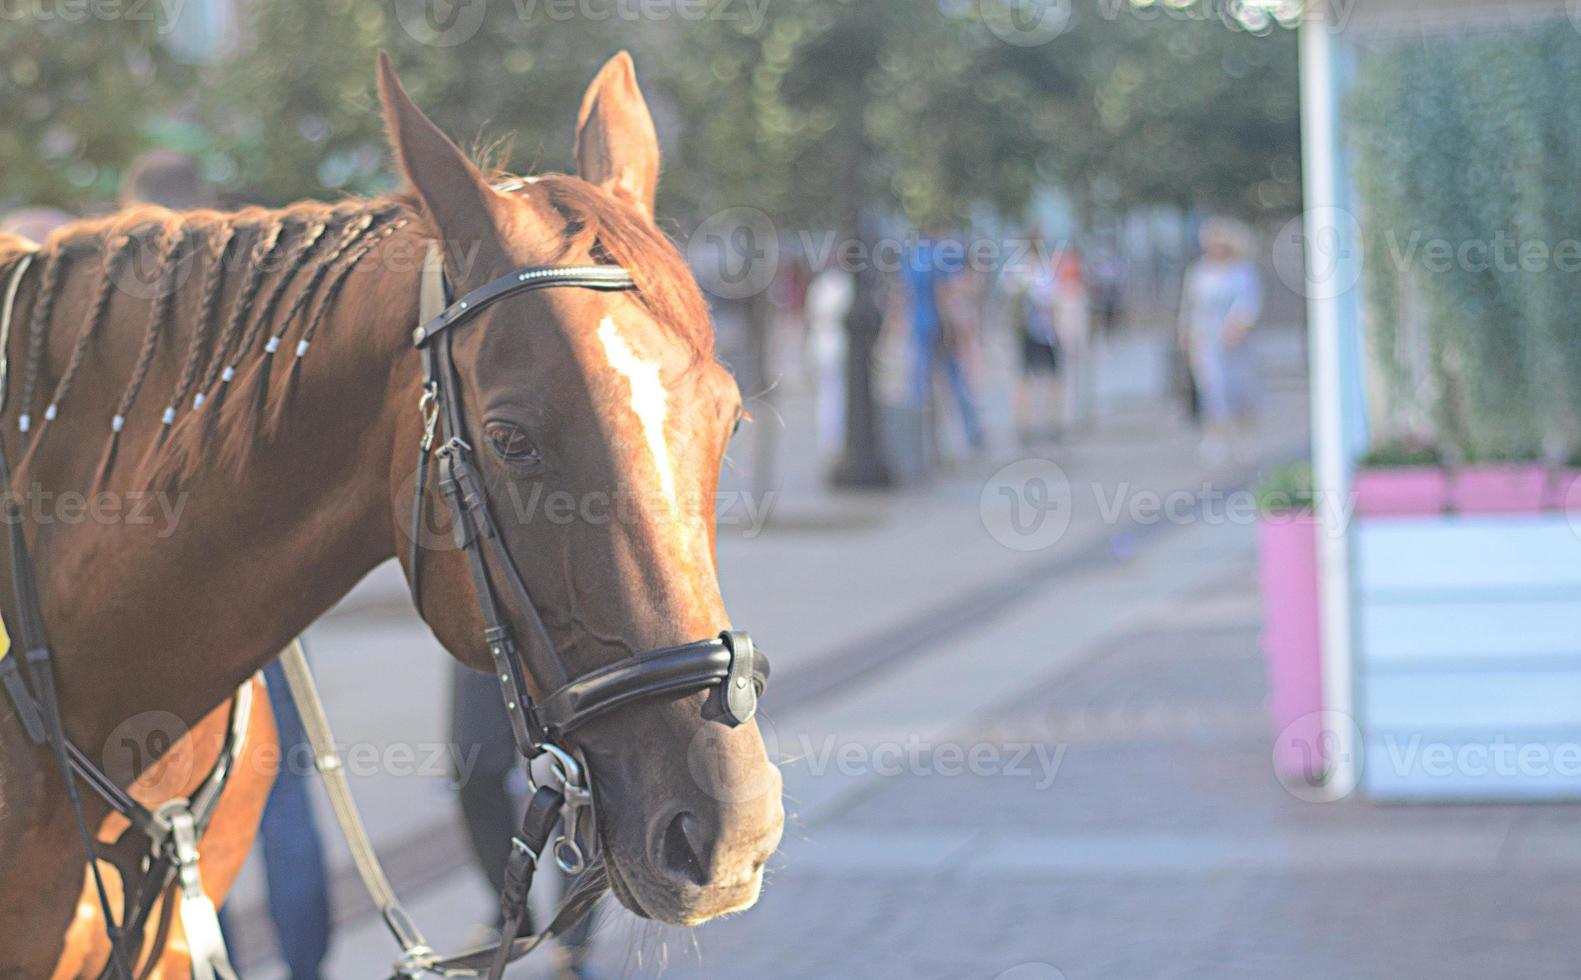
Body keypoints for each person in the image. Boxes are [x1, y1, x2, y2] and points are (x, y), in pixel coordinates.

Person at [451, 662, 598, 978]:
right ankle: (510, 912)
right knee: (473, 767)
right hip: (485, 624)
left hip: (571, 624)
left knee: (580, 772)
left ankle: (573, 937)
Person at [1178, 217, 1263, 466]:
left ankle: (1245, 436)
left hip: (1235, 341)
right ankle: (1215, 436)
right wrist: (1185, 332)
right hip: (1206, 339)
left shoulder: (1242, 271)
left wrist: (1238, 326)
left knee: (1240, 389)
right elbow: (1191, 305)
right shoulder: (1200, 271)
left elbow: (1249, 303)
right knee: (1212, 388)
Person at [904, 233, 984, 453]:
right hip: (938, 325)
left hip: (919, 325)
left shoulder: (912, 257)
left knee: (918, 384)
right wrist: (951, 328)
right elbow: (944, 291)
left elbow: (904, 293)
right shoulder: (938, 256)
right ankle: (971, 434)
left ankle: (918, 438)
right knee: (955, 380)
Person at [1006, 235, 1061, 444]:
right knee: (1051, 378)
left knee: (1024, 378)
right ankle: (1051, 423)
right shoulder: (1044, 272)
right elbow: (1052, 301)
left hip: (1024, 333)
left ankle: (1023, 425)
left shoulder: (1015, 270)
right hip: (1043, 333)